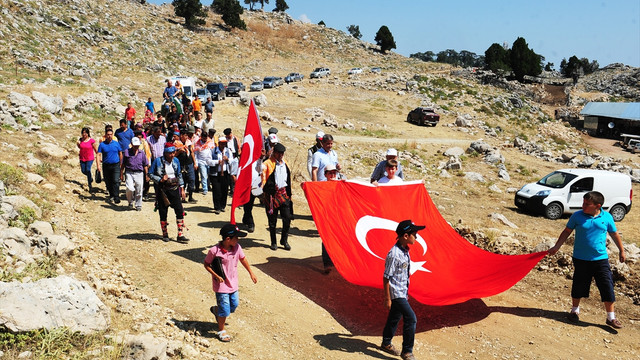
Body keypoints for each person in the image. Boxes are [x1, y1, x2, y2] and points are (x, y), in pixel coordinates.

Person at [548, 191, 626, 329]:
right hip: (580, 258)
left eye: (587, 204)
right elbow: (567, 231)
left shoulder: (607, 217)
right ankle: (574, 311)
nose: (583, 205)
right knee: (579, 284)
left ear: (598, 206)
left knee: (607, 286)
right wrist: (557, 246)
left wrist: (622, 250)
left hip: (600, 259)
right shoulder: (577, 216)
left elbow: (614, 233)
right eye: (583, 202)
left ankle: (611, 317)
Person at [204, 223, 257, 342]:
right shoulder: (214, 251)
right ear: (228, 239)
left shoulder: (237, 247)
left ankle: (217, 311)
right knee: (225, 310)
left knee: (234, 305)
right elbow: (206, 265)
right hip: (221, 285)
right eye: (236, 237)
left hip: (233, 284)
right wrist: (216, 275)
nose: (238, 240)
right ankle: (221, 331)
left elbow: (243, 259)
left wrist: (251, 273)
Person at [380, 220, 424, 360]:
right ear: (406, 236)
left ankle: (386, 342)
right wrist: (388, 299)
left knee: (395, 317)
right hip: (396, 293)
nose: (416, 237)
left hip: (402, 292)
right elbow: (386, 277)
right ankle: (407, 352)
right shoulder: (394, 254)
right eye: (414, 234)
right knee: (411, 319)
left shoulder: (404, 251)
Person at [148, 143, 188, 243]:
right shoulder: (157, 161)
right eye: (170, 153)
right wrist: (160, 179)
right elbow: (150, 173)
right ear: (165, 153)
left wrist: (182, 188)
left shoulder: (176, 161)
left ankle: (180, 234)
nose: (172, 155)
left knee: (179, 210)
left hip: (174, 188)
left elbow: (179, 174)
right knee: (163, 211)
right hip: (163, 190)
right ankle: (165, 234)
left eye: (173, 152)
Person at [262, 143, 292, 251]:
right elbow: (263, 180)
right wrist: (268, 190)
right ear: (274, 152)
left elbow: (288, 180)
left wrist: (289, 195)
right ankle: (273, 242)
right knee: (272, 221)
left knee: (287, 218)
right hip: (272, 196)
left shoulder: (285, 164)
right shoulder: (267, 164)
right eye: (279, 153)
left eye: (282, 153)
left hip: (283, 195)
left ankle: (284, 240)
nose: (280, 155)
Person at [120, 137, 148, 211]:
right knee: (130, 188)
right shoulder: (126, 152)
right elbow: (123, 164)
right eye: (135, 145)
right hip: (129, 172)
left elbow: (145, 164)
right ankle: (130, 201)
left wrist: (147, 174)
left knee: (139, 189)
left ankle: (138, 204)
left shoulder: (141, 153)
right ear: (131, 144)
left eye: (137, 146)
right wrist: (121, 174)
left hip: (139, 173)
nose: (136, 147)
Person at [97, 128, 123, 204]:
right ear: (105, 135)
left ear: (113, 135)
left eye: (111, 134)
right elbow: (98, 154)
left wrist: (121, 163)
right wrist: (98, 165)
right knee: (108, 181)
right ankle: (111, 195)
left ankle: (116, 196)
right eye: (108, 135)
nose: (109, 136)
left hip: (116, 165)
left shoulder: (116, 143)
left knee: (115, 180)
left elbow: (120, 153)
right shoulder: (102, 144)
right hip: (106, 165)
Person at [210, 136, 234, 214]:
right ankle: (217, 207)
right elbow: (208, 161)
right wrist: (217, 162)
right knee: (217, 190)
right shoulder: (213, 151)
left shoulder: (228, 151)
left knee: (224, 190)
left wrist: (228, 159)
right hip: (216, 173)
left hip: (225, 173)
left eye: (225, 143)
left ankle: (223, 205)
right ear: (219, 143)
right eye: (222, 143)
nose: (223, 145)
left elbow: (233, 161)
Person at [177, 127, 197, 203]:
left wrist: (195, 163)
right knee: (183, 181)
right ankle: (183, 197)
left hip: (189, 164)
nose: (186, 137)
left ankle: (191, 197)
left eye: (186, 135)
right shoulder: (177, 143)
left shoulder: (189, 142)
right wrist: (179, 152)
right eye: (185, 135)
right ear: (181, 135)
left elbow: (191, 152)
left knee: (191, 179)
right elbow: (173, 155)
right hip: (181, 164)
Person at [77, 127, 98, 193]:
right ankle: (90, 177)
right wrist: (78, 143)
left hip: (90, 158)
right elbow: (80, 147)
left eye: (85, 133)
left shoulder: (91, 140)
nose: (84, 134)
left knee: (88, 169)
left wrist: (98, 155)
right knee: (83, 171)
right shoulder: (80, 140)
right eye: (83, 133)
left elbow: (95, 149)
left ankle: (90, 185)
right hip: (82, 158)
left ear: (88, 133)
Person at [194, 130, 215, 196]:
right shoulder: (197, 144)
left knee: (209, 175)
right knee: (203, 175)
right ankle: (205, 189)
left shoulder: (210, 142)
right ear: (201, 137)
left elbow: (213, 151)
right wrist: (196, 163)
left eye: (205, 138)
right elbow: (196, 154)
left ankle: (208, 186)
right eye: (203, 138)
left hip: (209, 161)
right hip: (201, 161)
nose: (204, 139)